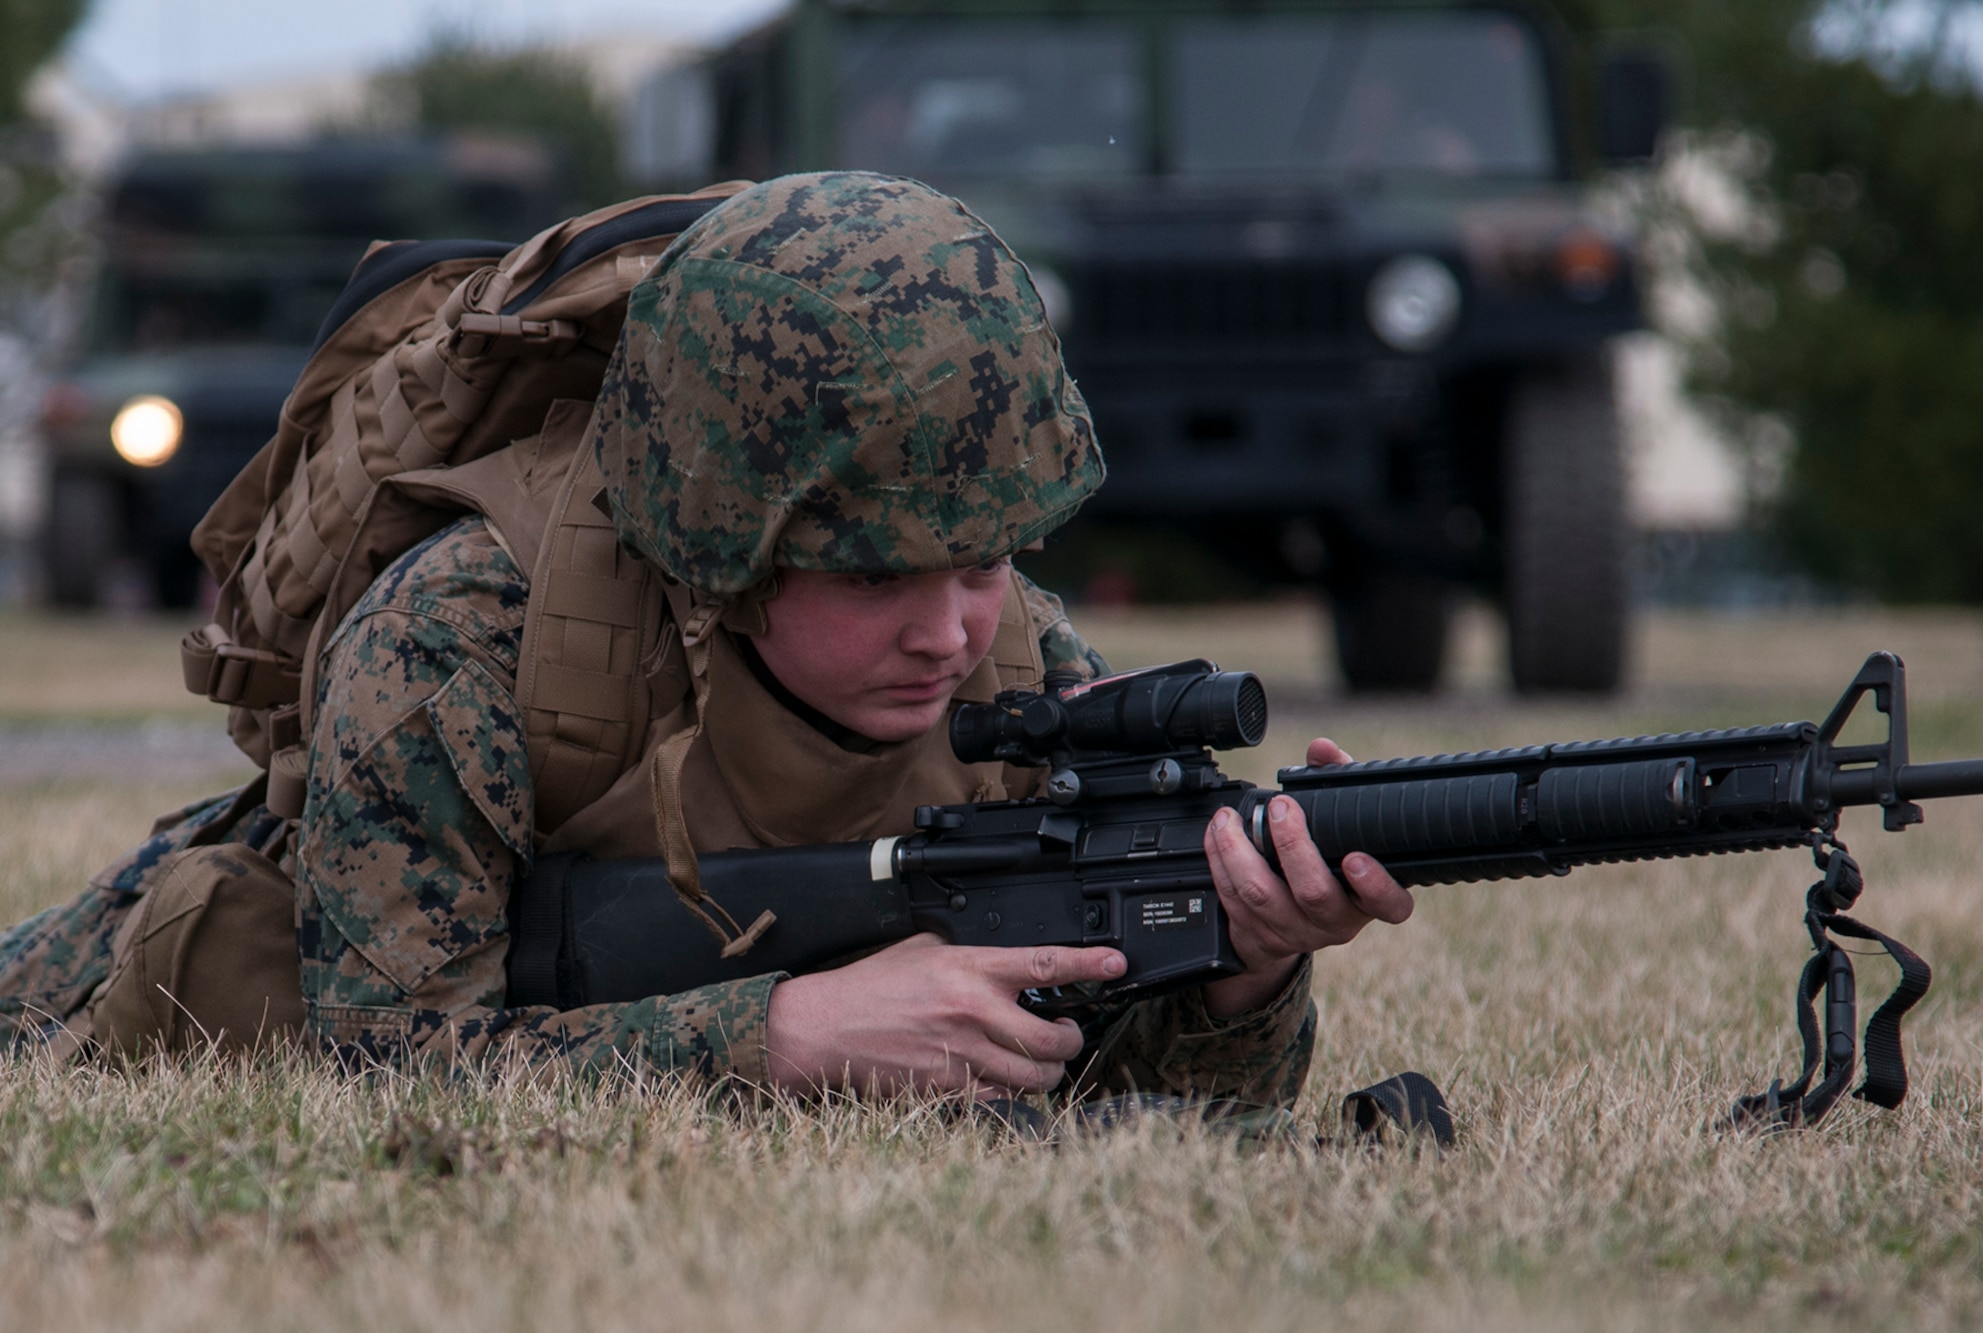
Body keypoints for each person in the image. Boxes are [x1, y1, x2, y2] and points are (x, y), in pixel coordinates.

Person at [0, 172, 1412, 1107]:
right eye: (874, 573)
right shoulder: (458, 639)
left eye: (985, 559)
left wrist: (1249, 960)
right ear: (718, 549)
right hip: (140, 971)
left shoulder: (1030, 670)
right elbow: (386, 1067)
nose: (951, 631)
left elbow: (1155, 1106)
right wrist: (785, 1039)